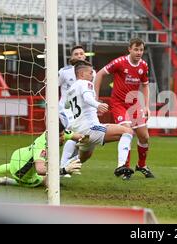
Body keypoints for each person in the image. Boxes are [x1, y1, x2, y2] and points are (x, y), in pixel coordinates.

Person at [94, 38, 155, 180]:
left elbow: (145, 85)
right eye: (136, 49)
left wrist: (146, 106)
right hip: (119, 104)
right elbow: (99, 74)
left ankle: (141, 165)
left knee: (144, 137)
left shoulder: (144, 66)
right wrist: (96, 99)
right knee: (127, 131)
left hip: (134, 104)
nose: (139, 52)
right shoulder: (119, 62)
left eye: (141, 50)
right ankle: (125, 168)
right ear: (129, 49)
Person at [65, 61, 135, 179]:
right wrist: (97, 105)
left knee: (83, 158)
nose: (93, 75)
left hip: (79, 130)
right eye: (90, 72)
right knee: (127, 131)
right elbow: (87, 98)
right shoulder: (85, 83)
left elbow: (68, 106)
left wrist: (92, 108)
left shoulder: (70, 90)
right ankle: (121, 165)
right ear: (81, 74)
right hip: (90, 128)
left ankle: (61, 170)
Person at [0, 121, 85, 187]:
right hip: (23, 172)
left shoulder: (55, 132)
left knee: (11, 166)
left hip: (19, 157)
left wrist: (88, 138)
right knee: (46, 181)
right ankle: (11, 181)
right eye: (60, 135)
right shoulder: (42, 147)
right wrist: (65, 170)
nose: (63, 138)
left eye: (62, 135)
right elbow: (40, 170)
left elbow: (80, 136)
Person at [58, 45, 97, 177]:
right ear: (72, 57)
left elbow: (92, 92)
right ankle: (62, 165)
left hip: (83, 111)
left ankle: (67, 166)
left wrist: (96, 106)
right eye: (76, 54)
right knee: (74, 135)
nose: (79, 55)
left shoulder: (92, 72)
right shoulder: (64, 72)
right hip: (67, 109)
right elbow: (53, 85)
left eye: (81, 53)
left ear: (85, 56)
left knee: (83, 138)